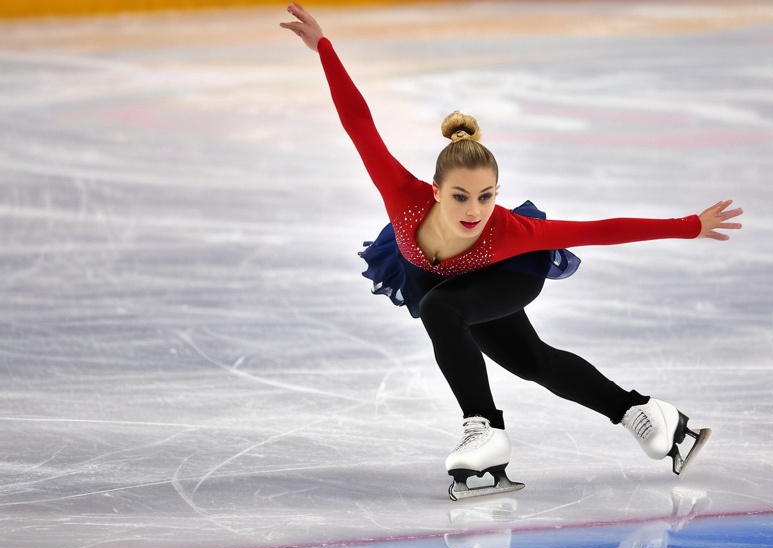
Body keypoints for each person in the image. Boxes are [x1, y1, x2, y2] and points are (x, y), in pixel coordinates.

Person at [281, 3, 743, 500]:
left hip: (506, 272)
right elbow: (358, 122)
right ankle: (651, 417)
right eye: (460, 196)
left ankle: (484, 431)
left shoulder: (508, 231)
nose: (473, 209)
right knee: (531, 361)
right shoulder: (403, 196)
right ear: (436, 191)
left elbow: (599, 230)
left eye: (486, 196)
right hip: (438, 277)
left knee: (443, 308)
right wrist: (323, 47)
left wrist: (688, 226)